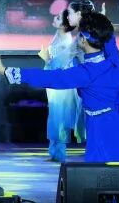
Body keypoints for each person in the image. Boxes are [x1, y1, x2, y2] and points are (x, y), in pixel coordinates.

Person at [0, 11, 119, 162]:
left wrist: (4, 71)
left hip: (105, 127)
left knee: (104, 174)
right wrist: (99, 21)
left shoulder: (86, 73)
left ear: (83, 39)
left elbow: (49, 78)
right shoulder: (112, 59)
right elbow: (109, 39)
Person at [42, 10, 82, 162]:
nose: (55, 18)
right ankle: (54, 152)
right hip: (54, 83)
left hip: (61, 86)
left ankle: (59, 153)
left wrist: (48, 61)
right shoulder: (58, 36)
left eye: (58, 18)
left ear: (65, 25)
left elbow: (61, 64)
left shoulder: (66, 42)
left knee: (60, 118)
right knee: (55, 116)